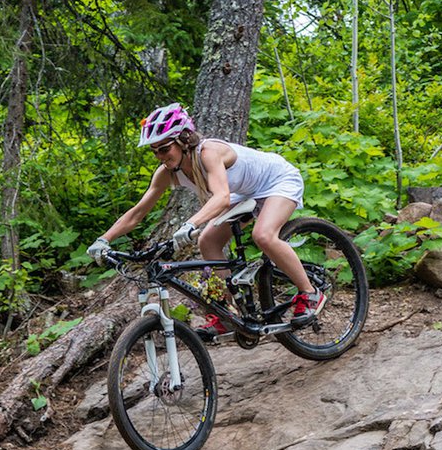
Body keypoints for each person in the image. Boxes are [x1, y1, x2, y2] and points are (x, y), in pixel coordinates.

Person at [86, 103, 324, 332]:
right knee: (207, 242)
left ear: (183, 140)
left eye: (165, 148)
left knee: (263, 235)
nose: (159, 156)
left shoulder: (208, 152)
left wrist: (191, 223)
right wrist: (103, 240)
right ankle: (227, 312)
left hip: (277, 180)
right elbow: (137, 213)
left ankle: (310, 292)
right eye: (154, 150)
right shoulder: (167, 172)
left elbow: (221, 197)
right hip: (243, 193)